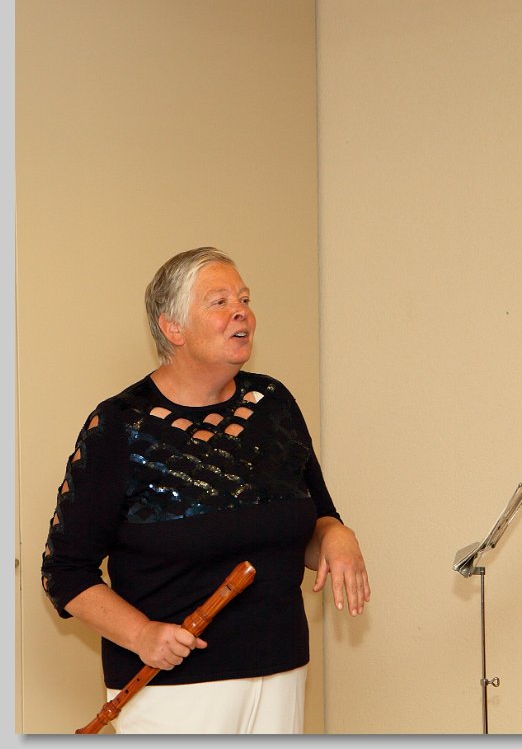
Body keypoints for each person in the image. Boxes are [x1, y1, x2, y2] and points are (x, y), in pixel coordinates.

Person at [41, 246, 370, 734]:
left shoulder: (273, 404)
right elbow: (64, 570)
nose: (241, 312)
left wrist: (336, 535)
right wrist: (142, 634)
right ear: (172, 328)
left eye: (244, 299)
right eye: (219, 302)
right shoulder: (120, 426)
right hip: (173, 688)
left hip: (281, 669)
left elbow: (312, 521)